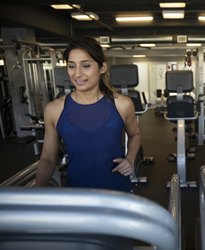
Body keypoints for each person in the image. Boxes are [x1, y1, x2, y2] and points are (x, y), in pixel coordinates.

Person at [35, 36, 141, 192]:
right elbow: (48, 159)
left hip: (119, 192)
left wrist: (130, 159)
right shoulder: (54, 109)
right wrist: (36, 191)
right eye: (71, 66)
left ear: (102, 67)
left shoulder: (122, 104)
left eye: (85, 65)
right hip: (77, 195)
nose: (77, 74)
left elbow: (135, 135)